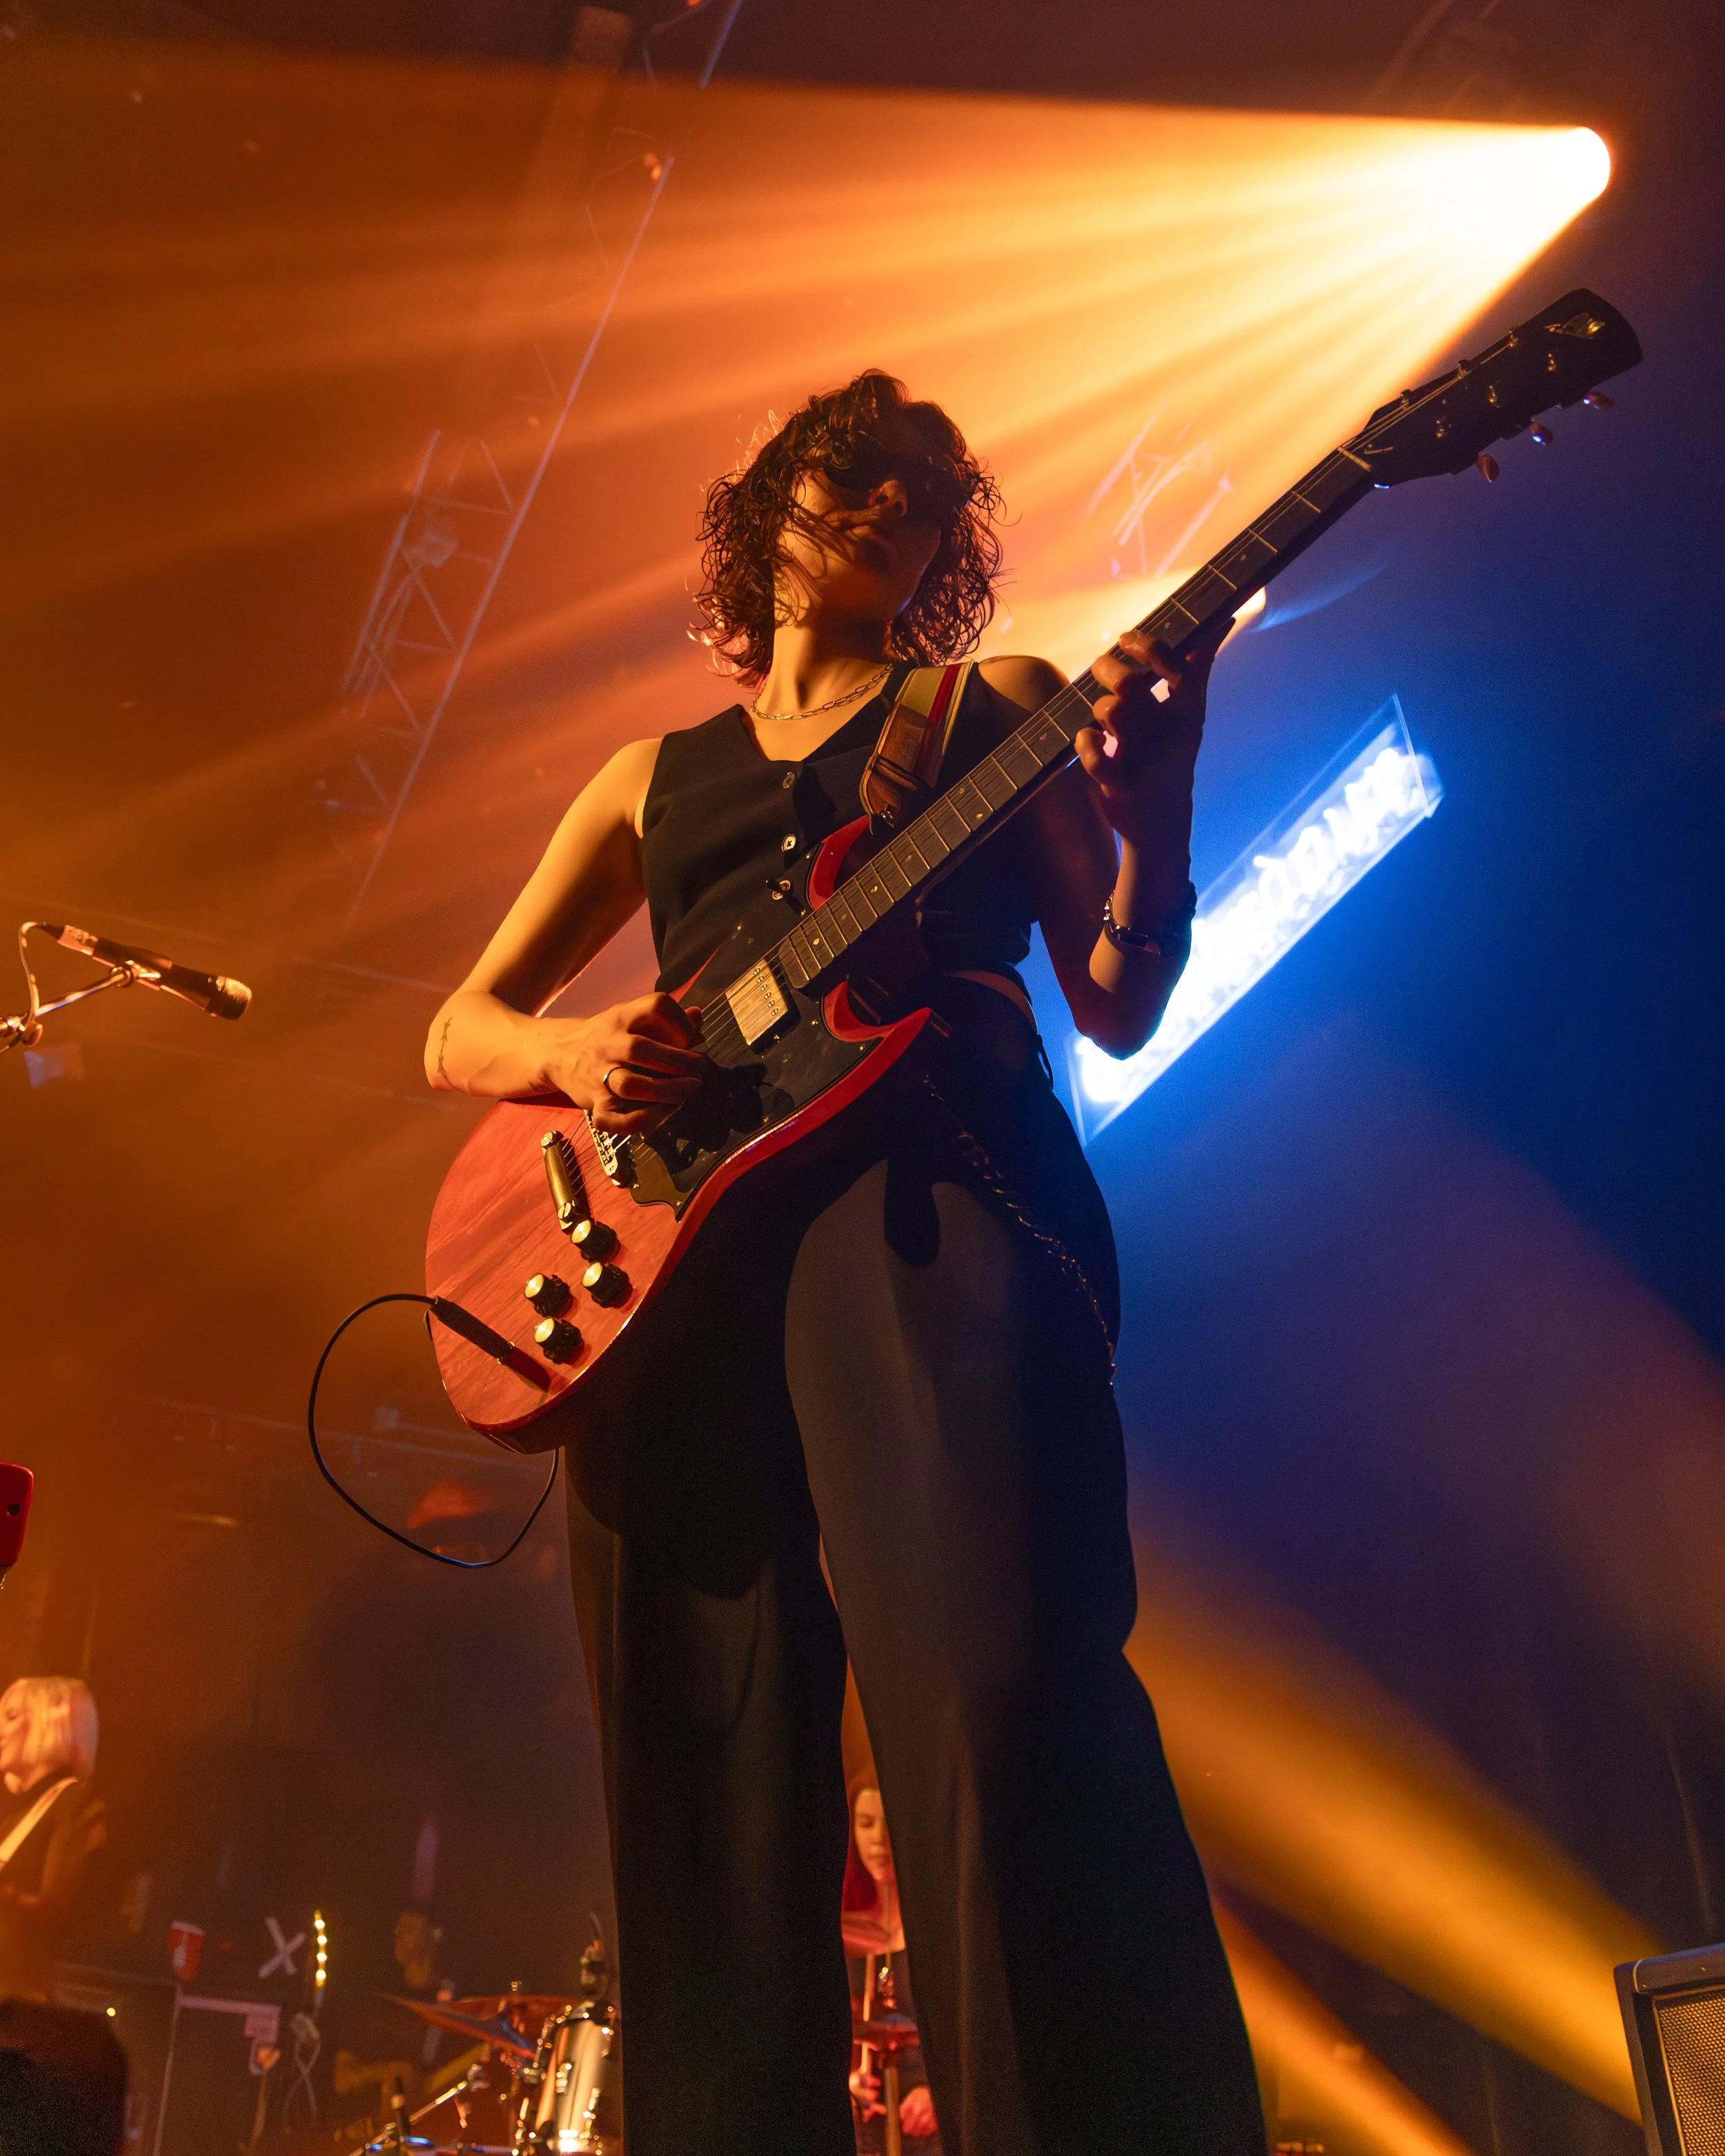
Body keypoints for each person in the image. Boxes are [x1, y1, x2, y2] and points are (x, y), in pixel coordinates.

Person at [426, 368, 1264, 2155]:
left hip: (921, 1191)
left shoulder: (994, 707)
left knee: (996, 1690)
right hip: (661, 1280)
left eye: (924, 490)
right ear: (769, 504)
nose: (892, 502)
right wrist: (578, 1050)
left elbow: (1113, 1001)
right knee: (698, 1768)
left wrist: (1164, 802)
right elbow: (457, 1025)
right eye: (855, 471)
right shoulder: (648, 780)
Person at [844, 1781, 938, 2151]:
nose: (879, 1840)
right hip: (865, 2128)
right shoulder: (843, 1927)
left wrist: (937, 2090)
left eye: (889, 1823)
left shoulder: (939, 1927)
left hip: (930, 2125)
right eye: (866, 1824)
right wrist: (848, 2080)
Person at [0, 1679, 106, 2004]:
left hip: (19, 2009)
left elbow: (56, 1913)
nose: (1, 1730)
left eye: (11, 1717)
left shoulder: (74, 1803)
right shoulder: (19, 1817)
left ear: (50, 1725)